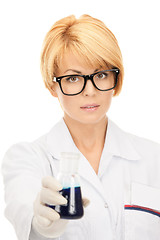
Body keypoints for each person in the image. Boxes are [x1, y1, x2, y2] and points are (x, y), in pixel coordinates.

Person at [1, 14, 160, 240]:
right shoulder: (27, 158)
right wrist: (43, 226)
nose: (90, 91)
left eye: (102, 74)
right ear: (51, 85)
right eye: (73, 78)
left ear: (116, 79)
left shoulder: (154, 158)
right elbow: (26, 218)